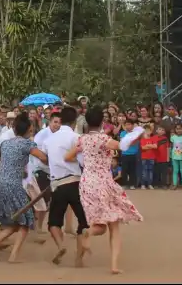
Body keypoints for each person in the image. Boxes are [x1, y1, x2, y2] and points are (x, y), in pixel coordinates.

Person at [78, 106, 144, 275]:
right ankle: (114, 265)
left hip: (86, 183)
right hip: (103, 183)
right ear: (102, 122)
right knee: (114, 227)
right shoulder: (103, 139)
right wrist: (138, 131)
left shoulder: (83, 139)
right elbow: (123, 146)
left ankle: (88, 232)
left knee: (100, 225)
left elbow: (70, 155)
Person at [0, 111, 49, 263]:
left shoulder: (6, 143)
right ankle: (12, 255)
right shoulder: (27, 144)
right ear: (28, 130)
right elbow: (42, 157)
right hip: (13, 185)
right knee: (25, 221)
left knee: (14, 221)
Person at [41, 106, 90, 266]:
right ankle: (79, 259)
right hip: (75, 182)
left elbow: (45, 159)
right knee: (83, 222)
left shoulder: (48, 140)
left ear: (60, 120)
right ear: (75, 120)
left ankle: (61, 246)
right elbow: (83, 162)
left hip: (58, 184)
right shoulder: (77, 137)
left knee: (53, 223)